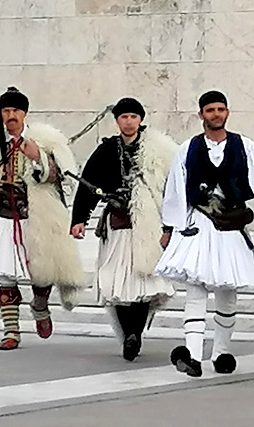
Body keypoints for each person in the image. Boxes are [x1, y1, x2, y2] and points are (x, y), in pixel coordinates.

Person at [155, 90, 254, 377]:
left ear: (227, 113)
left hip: (230, 225)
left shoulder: (245, 146)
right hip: (199, 225)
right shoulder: (188, 147)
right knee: (196, 289)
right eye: (210, 110)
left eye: (220, 109)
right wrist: (170, 228)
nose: (215, 114)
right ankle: (194, 355)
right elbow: (175, 188)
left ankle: (222, 352)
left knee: (227, 291)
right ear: (201, 114)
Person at [0, 87, 88, 351]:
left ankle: (40, 306)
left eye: (15, 111)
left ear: (25, 113)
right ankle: (11, 331)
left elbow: (58, 176)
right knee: (6, 276)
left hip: (36, 215)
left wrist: (38, 158)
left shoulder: (42, 140)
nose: (11, 116)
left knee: (41, 272)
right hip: (4, 215)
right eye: (6, 111)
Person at [71, 97, 180, 361]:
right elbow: (89, 183)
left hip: (148, 223)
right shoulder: (107, 150)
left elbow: (172, 189)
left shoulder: (160, 150)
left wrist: (172, 225)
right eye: (123, 117)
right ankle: (131, 334)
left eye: (133, 116)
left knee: (142, 282)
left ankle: (134, 335)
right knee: (116, 282)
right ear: (117, 120)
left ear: (140, 119)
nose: (129, 121)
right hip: (117, 224)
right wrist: (79, 219)